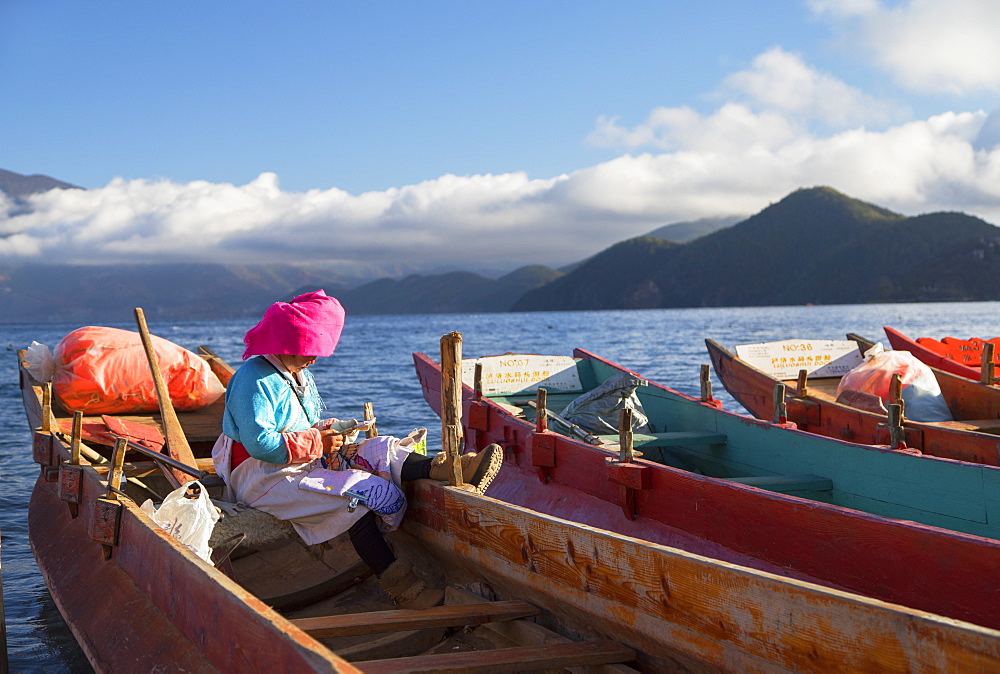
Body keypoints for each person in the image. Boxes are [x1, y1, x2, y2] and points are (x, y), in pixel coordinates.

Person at [211, 289, 502, 608]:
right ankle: (406, 590)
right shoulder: (253, 380)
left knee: (380, 449)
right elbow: (260, 444)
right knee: (356, 502)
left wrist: (327, 432)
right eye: (307, 350)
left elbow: (298, 426)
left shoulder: (296, 373)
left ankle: (450, 470)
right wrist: (317, 442)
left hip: (301, 460)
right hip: (263, 478)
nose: (313, 359)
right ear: (285, 342)